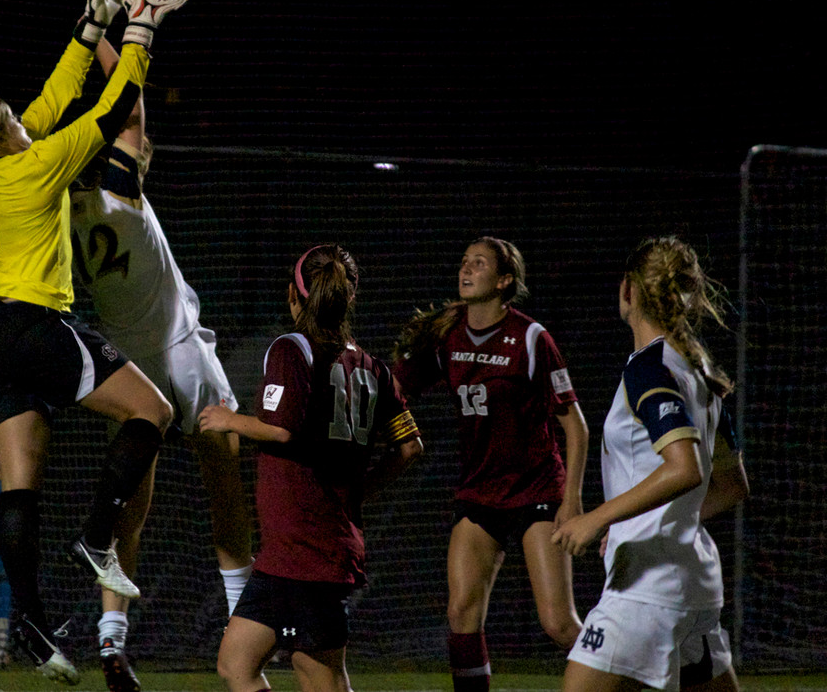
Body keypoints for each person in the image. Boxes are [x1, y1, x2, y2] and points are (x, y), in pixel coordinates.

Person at [0, 0, 195, 684]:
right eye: (14, 117)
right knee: (153, 411)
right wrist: (140, 27)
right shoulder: (35, 166)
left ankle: (32, 630)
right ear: (6, 132)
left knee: (20, 484)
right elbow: (108, 113)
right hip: (38, 328)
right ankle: (99, 535)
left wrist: (92, 15)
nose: (24, 119)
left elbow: (57, 90)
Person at [69, 35, 253, 692]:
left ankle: (112, 643)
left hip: (127, 363)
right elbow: (132, 114)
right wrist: (114, 43)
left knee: (128, 510)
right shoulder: (120, 192)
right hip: (180, 350)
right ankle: (246, 616)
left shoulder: (66, 210)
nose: (141, 148)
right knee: (225, 481)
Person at [198, 244, 424, 692]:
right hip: (295, 552)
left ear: (293, 295)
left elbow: (281, 429)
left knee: (320, 679)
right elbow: (410, 447)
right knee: (236, 665)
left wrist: (229, 420)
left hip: (308, 552)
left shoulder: (291, 348)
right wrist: (361, 490)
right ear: (348, 297)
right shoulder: (372, 367)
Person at [392, 236, 588, 691]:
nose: (466, 269)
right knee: (461, 611)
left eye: (478, 264)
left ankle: (628, 679)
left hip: (536, 491)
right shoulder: (447, 334)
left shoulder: (532, 338)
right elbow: (394, 390)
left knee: (558, 624)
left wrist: (572, 499)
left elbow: (575, 428)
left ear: (503, 281)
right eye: (464, 262)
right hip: (480, 492)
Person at [552, 236, 747, 692]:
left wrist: (599, 519)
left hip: (647, 593)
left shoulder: (648, 367)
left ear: (629, 290)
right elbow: (733, 485)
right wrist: (638, 524)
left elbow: (684, 469)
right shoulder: (698, 371)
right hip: (695, 585)